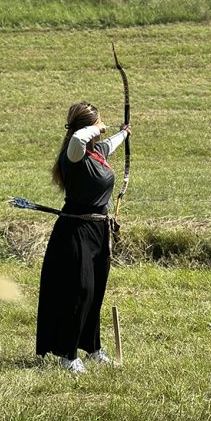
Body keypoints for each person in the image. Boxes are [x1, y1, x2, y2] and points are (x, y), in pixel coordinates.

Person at [36, 101, 131, 374]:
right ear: (89, 126)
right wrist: (97, 126)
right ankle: (67, 354)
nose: (102, 129)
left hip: (98, 231)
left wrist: (124, 132)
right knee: (80, 291)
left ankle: (92, 349)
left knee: (96, 290)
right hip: (75, 231)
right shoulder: (75, 152)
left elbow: (111, 143)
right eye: (98, 124)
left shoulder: (96, 153)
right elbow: (79, 137)